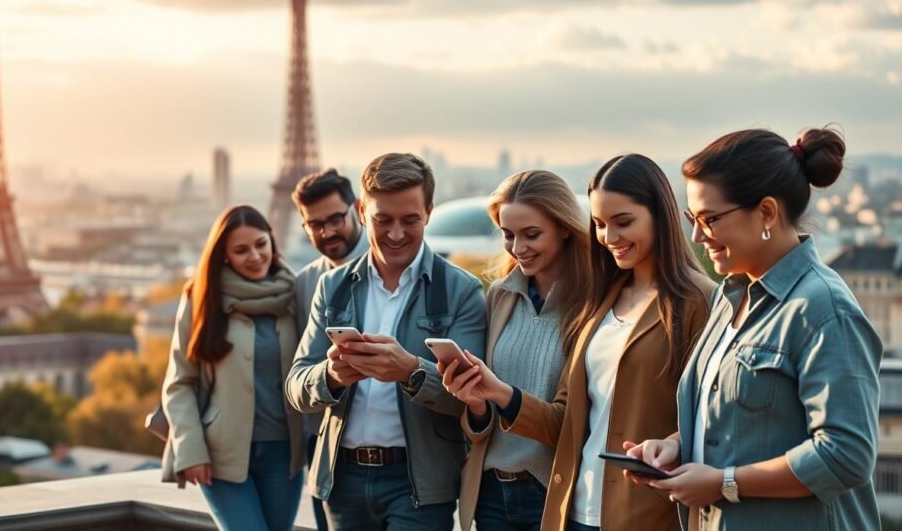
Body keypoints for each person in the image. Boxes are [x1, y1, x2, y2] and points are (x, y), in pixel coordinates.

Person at [626, 128, 882, 531]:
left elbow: (845, 455)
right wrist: (676, 445)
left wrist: (724, 484)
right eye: (693, 219)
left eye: (710, 219)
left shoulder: (823, 309)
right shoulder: (730, 297)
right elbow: (743, 416)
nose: (696, 235)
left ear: (766, 212)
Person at [445, 154, 713, 531]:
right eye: (601, 225)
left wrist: (674, 443)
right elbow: (566, 416)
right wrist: (497, 394)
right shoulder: (605, 298)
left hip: (646, 512)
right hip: (574, 506)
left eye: (623, 222)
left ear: (660, 215)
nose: (610, 238)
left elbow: (713, 414)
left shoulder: (698, 301)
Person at [286, 152, 487, 531]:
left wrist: (411, 372)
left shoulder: (461, 290)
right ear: (362, 212)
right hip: (342, 480)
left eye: (410, 220)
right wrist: (331, 376)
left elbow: (472, 399)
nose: (396, 234)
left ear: (429, 211)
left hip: (419, 485)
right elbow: (296, 386)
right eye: (383, 220)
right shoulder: (333, 286)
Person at [452, 170, 592, 531]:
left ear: (564, 227)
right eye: (507, 235)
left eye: (531, 234)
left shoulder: (593, 304)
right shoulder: (500, 295)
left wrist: (500, 392)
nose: (517, 248)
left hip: (552, 493)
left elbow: (576, 420)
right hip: (491, 493)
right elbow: (483, 421)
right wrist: (476, 403)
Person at [161, 205, 304, 531]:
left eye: (260, 244)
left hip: (284, 454)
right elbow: (179, 382)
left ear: (272, 241)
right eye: (241, 250)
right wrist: (191, 449)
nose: (254, 256)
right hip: (220, 454)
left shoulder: (294, 294)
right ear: (224, 255)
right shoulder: (202, 298)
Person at [292, 168, 368, 531]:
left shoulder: (394, 266)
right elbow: (299, 368)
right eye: (314, 224)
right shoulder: (306, 281)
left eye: (336, 218)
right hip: (326, 445)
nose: (327, 232)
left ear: (357, 208)